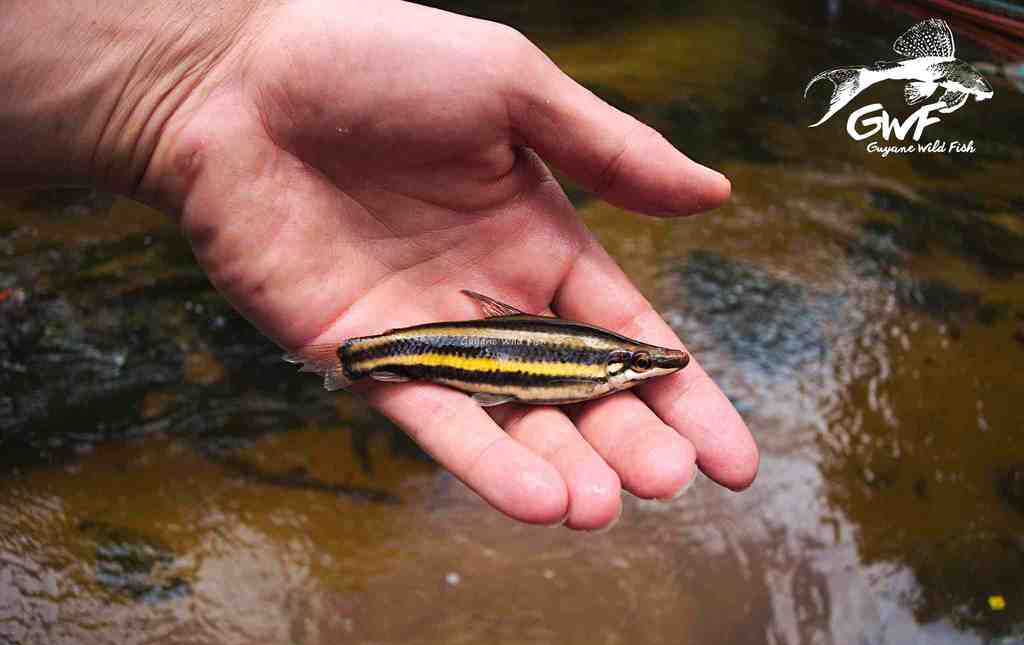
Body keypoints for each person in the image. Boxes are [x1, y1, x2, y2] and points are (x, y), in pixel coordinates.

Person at [1, 0, 758, 531]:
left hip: (468, 352)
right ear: (620, 364)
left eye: (641, 363)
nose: (646, 363)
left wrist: (209, 69)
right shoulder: (603, 362)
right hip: (468, 353)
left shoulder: (603, 362)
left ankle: (355, 362)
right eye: (636, 363)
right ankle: (356, 362)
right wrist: (218, 65)